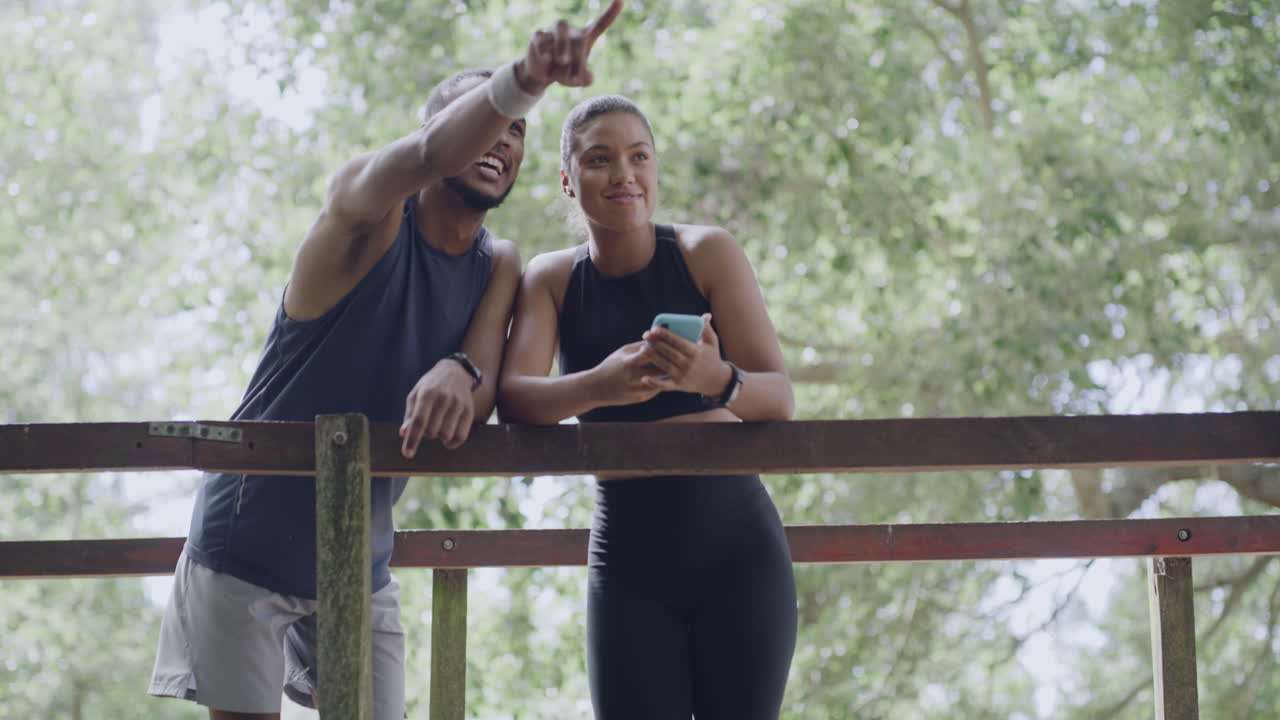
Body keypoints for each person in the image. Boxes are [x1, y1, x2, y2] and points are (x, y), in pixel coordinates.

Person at [148, 3, 624, 718]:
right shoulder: (364, 214)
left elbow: (488, 385)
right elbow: (432, 155)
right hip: (248, 541)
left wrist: (461, 369)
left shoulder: (499, 265)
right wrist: (525, 79)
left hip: (359, 558)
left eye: (517, 131)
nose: (502, 137)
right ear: (438, 128)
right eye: (486, 118)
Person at [498, 94, 797, 720]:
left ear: (656, 170)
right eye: (600, 160)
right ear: (567, 179)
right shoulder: (551, 279)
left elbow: (779, 396)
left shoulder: (706, 252)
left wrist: (717, 378)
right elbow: (515, 399)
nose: (624, 175)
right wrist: (599, 386)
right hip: (628, 558)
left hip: (738, 549)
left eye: (639, 157)